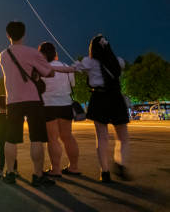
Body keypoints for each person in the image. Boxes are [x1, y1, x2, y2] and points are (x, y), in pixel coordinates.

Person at [0, 21, 56, 187]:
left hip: (13, 101)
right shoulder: (32, 53)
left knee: (11, 138)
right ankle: (37, 175)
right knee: (36, 137)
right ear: (24, 34)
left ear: (8, 35)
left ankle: (9, 173)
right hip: (33, 99)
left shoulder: (3, 55)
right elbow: (49, 72)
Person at [73, 34, 130, 182]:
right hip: (116, 98)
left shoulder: (89, 62)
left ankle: (104, 172)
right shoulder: (118, 62)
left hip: (99, 99)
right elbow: (121, 66)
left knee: (102, 138)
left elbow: (73, 68)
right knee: (123, 137)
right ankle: (120, 164)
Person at [38, 42, 80, 177]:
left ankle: (56, 169)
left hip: (48, 105)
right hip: (66, 104)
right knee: (68, 137)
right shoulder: (66, 67)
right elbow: (72, 84)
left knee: (53, 139)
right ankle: (74, 167)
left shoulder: (41, 68)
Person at [0, 95, 17, 177]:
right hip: (10, 139)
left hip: (0, 140)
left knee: (1, 155)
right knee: (12, 155)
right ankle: (14, 170)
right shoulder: (12, 116)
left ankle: (0, 170)